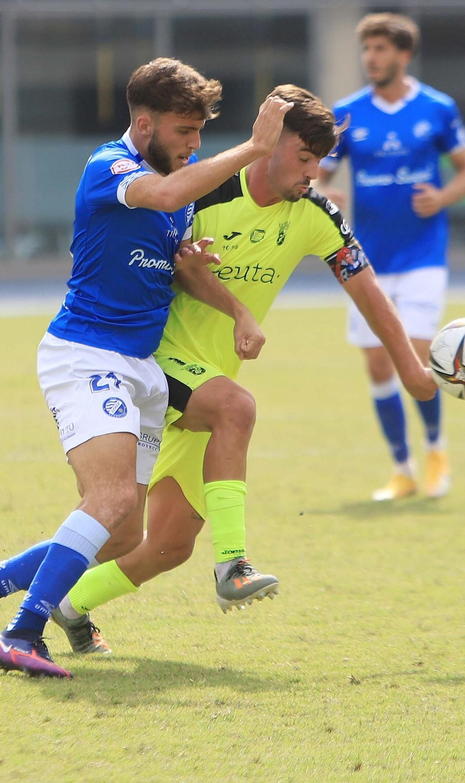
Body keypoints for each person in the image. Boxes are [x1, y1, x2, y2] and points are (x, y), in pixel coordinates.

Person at [0, 59, 290, 678]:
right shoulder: (111, 167)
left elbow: (170, 258)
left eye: (200, 131)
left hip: (142, 369)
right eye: (184, 130)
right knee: (112, 496)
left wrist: (227, 303)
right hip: (87, 354)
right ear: (145, 123)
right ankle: (22, 632)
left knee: (122, 534)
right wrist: (257, 147)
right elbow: (173, 193)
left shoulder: (170, 183)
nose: (194, 143)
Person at [50, 85, 439, 655]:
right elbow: (172, 263)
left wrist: (411, 368)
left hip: (207, 380)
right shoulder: (207, 190)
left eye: (321, 163)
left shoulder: (314, 214)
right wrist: (236, 310)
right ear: (271, 146)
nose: (313, 173)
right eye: (305, 159)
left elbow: (366, 286)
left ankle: (67, 605)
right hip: (155, 362)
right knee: (236, 407)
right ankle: (233, 567)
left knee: (165, 546)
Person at [317, 13, 465, 502]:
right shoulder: (347, 112)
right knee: (377, 365)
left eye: (381, 49)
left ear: (403, 54)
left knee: (414, 351)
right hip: (366, 259)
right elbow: (318, 173)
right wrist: (324, 193)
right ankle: (402, 468)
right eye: (366, 49)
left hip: (424, 254)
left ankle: (435, 450)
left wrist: (443, 197)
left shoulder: (438, 107)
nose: (372, 58)